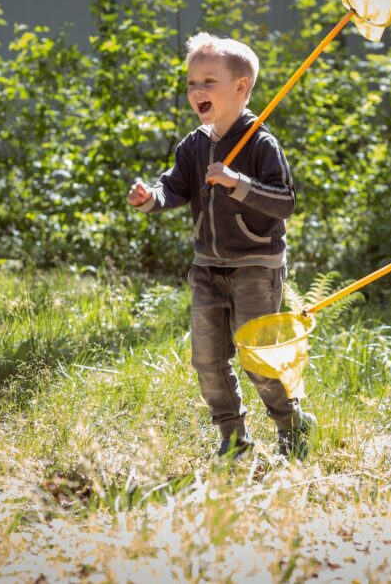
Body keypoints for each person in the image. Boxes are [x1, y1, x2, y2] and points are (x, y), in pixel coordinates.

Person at [127, 33, 315, 461]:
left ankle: (292, 424)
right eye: (192, 83)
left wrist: (237, 182)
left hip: (256, 267)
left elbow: (285, 202)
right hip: (207, 267)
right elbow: (174, 187)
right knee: (208, 361)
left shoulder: (261, 143)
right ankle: (234, 437)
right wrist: (151, 198)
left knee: (257, 359)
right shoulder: (194, 145)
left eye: (208, 82)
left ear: (241, 87)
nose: (197, 91)